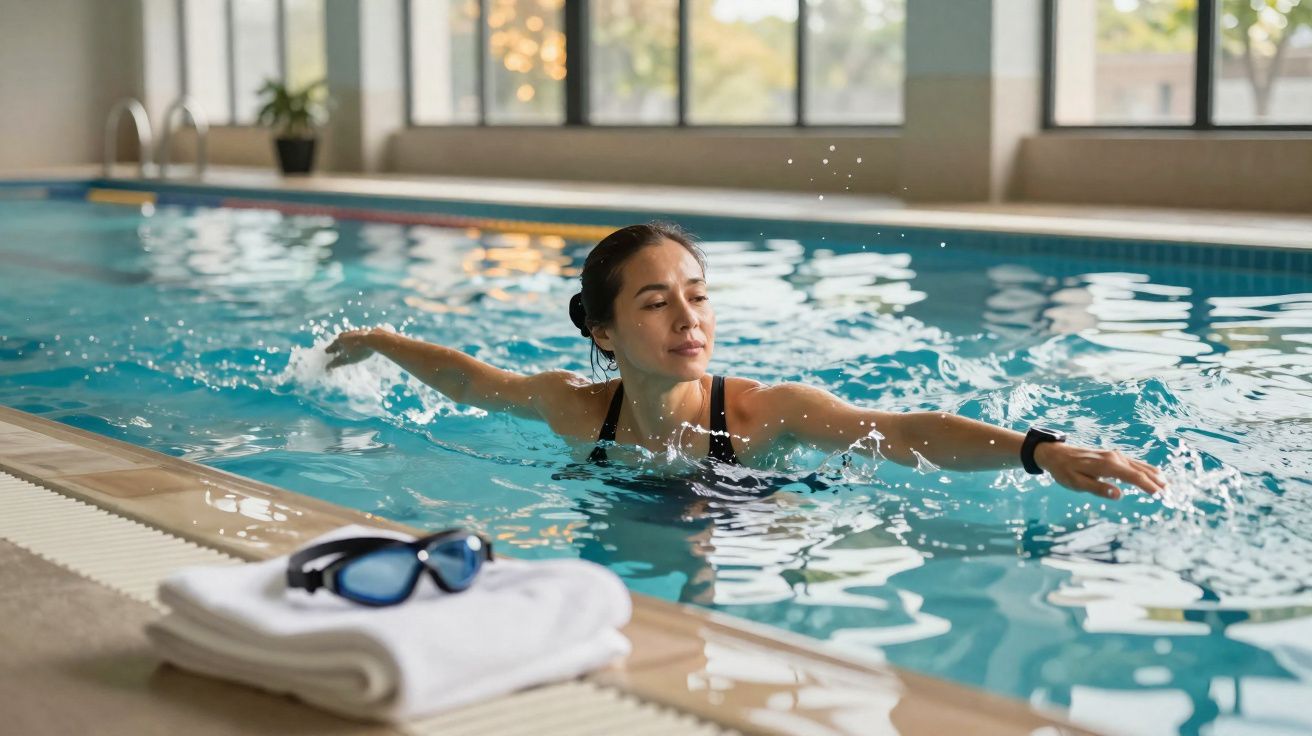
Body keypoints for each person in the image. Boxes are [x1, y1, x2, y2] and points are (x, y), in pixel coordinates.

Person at [326, 222, 1166, 500]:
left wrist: (1038, 449)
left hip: (751, 521)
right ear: (607, 333)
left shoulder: (765, 417)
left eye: (698, 294)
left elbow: (901, 429)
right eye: (656, 303)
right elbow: (474, 382)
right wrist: (381, 342)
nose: (689, 319)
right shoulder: (576, 406)